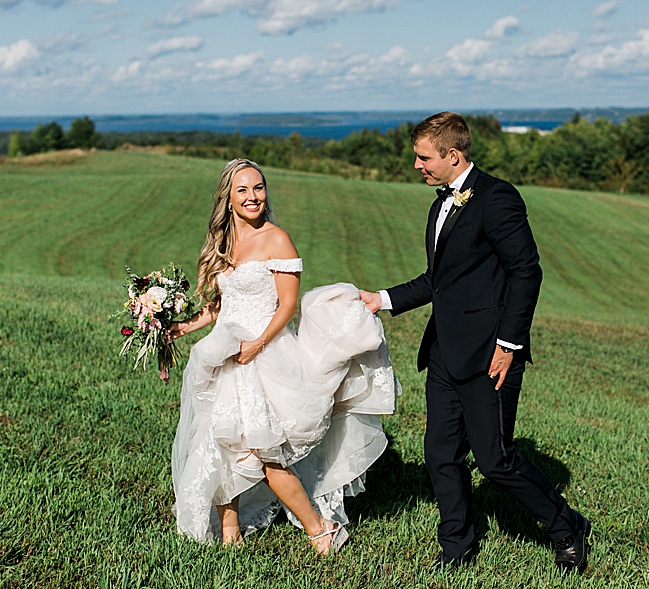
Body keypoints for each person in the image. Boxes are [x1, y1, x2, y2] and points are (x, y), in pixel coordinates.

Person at [361, 112, 590, 572]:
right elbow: (440, 280)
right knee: (440, 455)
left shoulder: (497, 197)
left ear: (453, 155)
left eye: (423, 158)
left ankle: (567, 526)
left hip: (491, 355)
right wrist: (380, 299)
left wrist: (509, 345)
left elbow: (526, 272)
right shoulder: (439, 202)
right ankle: (457, 547)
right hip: (445, 352)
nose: (416, 166)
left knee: (496, 460)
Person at [168, 159, 399, 555]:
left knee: (265, 454)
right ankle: (230, 533)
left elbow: (287, 305)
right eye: (243, 190)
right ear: (227, 198)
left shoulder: (277, 239)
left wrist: (257, 345)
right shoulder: (222, 245)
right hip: (225, 354)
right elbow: (219, 306)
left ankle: (320, 528)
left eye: (258, 188)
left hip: (266, 355)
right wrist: (181, 328)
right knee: (219, 444)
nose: (253, 197)